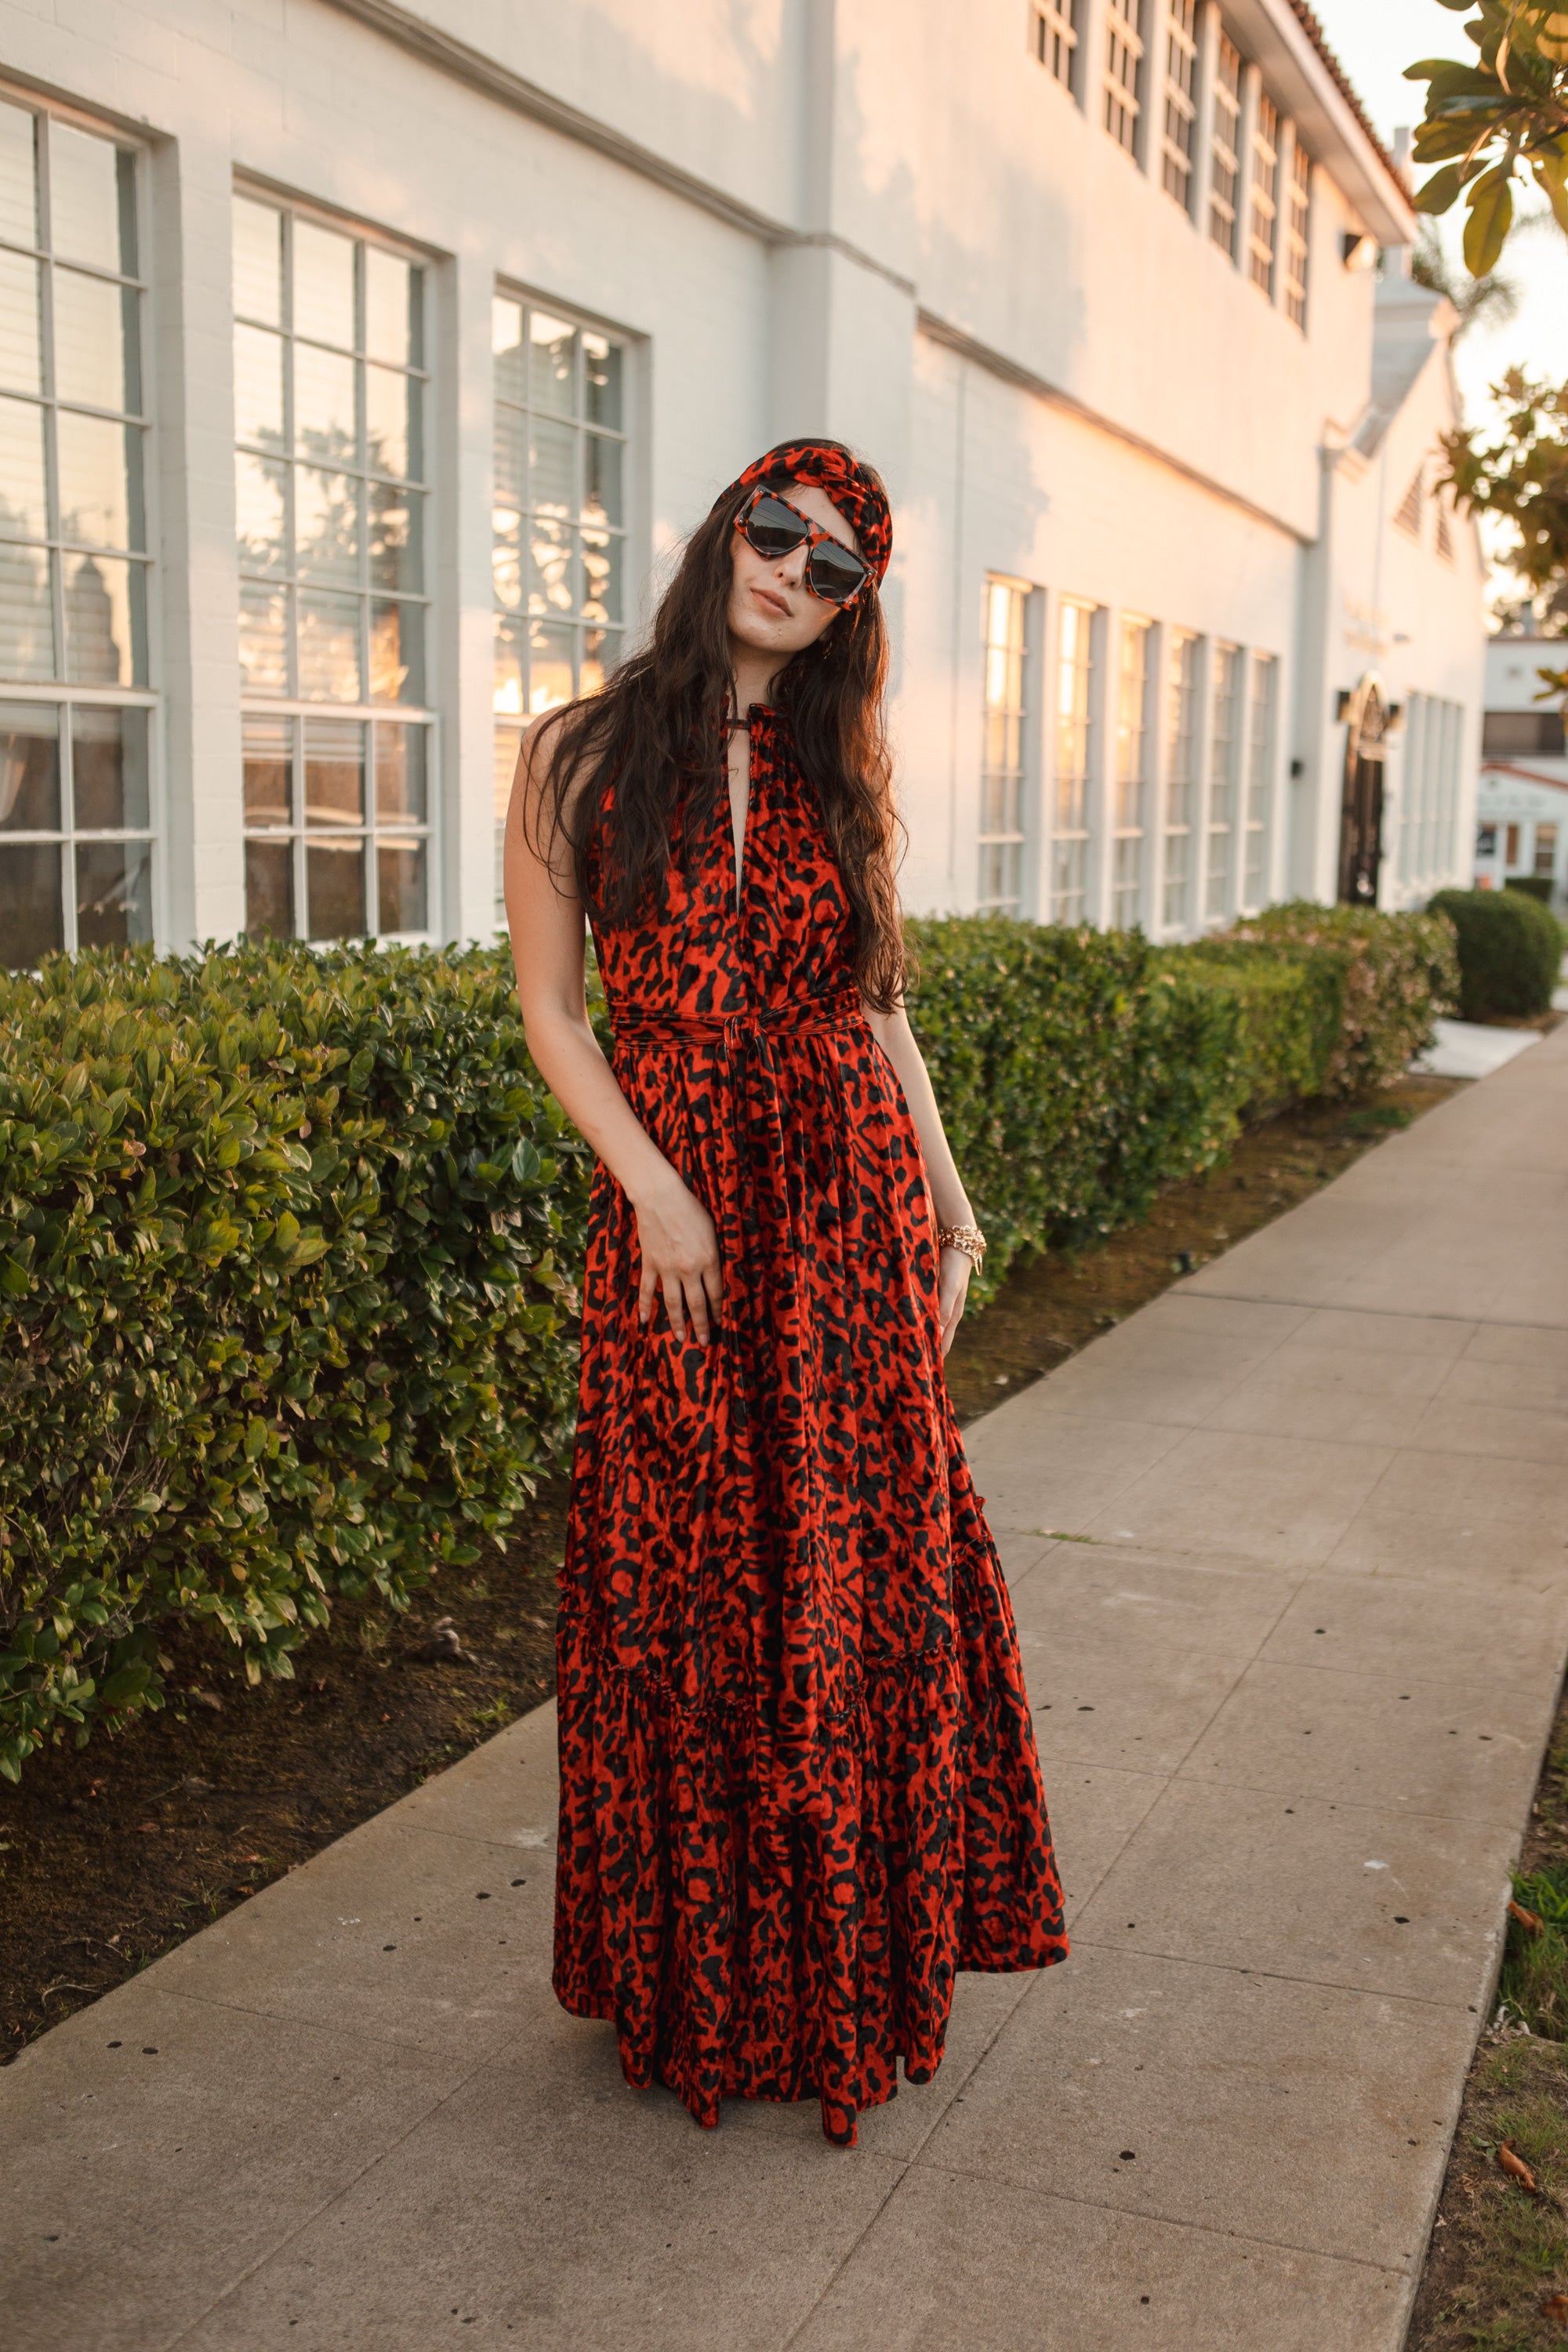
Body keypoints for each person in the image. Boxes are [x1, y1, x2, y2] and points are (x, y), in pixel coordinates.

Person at [504, 437, 1067, 2149]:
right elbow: (553, 1013)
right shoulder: (577, 755)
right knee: (684, 1589)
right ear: (723, 531)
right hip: (678, 1234)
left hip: (849, 1228)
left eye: (835, 570)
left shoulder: (842, 766)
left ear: (847, 618)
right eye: (777, 534)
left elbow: (877, 1009)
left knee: (848, 1588)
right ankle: (700, 1984)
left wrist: (956, 1222)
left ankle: (838, 1980)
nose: (793, 574)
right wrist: (654, 1186)